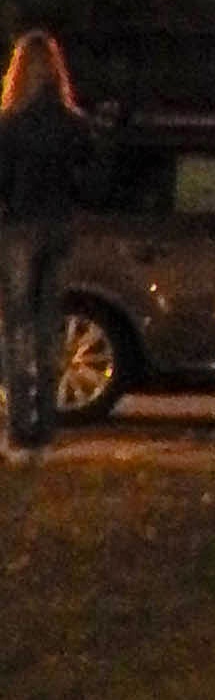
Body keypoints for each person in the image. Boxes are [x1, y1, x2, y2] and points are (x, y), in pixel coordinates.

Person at [0, 32, 97, 455]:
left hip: (20, 225)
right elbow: (95, 176)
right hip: (59, 225)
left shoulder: (9, 124)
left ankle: (20, 423)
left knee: (16, 326)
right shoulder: (74, 124)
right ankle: (47, 424)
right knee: (47, 325)